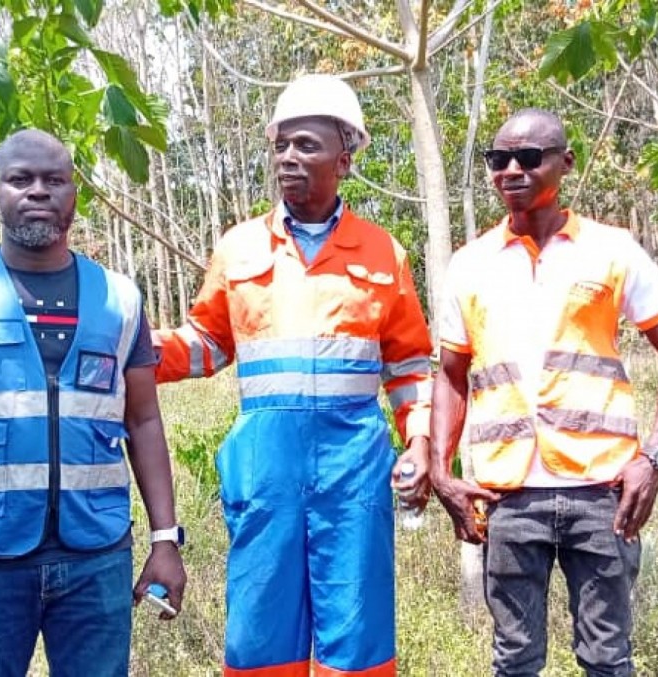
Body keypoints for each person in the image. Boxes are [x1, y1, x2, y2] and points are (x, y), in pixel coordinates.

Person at [0, 129, 187, 677]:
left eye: (54, 180)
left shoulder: (120, 298)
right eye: (21, 179)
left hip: (96, 554)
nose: (38, 191)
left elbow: (143, 421)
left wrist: (166, 540)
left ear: (74, 195)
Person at [152, 73, 434, 677]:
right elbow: (207, 344)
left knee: (356, 636)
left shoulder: (384, 253)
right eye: (281, 145)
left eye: (306, 145)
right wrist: (138, 352)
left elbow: (409, 365)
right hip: (265, 468)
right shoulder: (240, 248)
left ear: (345, 158)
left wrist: (421, 442)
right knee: (259, 634)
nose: (288, 158)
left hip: (353, 471)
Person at [428, 109, 658, 677]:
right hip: (507, 495)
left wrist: (655, 458)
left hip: (601, 493)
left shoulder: (612, 250)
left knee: (606, 658)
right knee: (515, 660)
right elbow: (451, 374)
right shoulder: (469, 264)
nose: (511, 170)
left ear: (565, 163)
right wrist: (441, 472)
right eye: (498, 159)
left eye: (529, 158)